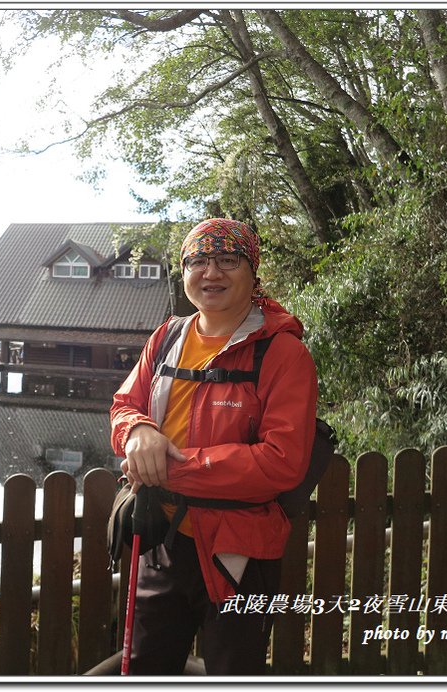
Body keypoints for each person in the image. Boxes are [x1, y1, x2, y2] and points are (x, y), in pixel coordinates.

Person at [110, 218, 318, 675]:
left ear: (252, 271)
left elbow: (282, 462)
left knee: (232, 672)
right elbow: (126, 403)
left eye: (227, 260)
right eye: (198, 261)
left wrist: (169, 468)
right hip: (163, 540)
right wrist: (137, 431)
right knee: (147, 668)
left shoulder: (283, 354)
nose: (211, 273)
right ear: (183, 272)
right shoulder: (166, 339)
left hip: (240, 550)